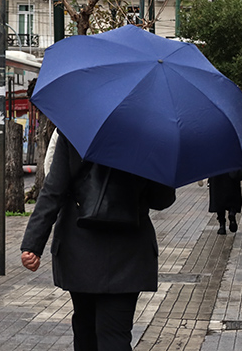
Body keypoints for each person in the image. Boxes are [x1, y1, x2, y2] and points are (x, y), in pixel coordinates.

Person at [20, 132, 176, 351]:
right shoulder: (148, 135)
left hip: (80, 249)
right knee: (116, 333)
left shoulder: (76, 131)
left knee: (85, 328)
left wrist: (32, 244)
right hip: (128, 252)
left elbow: (54, 191)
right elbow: (162, 199)